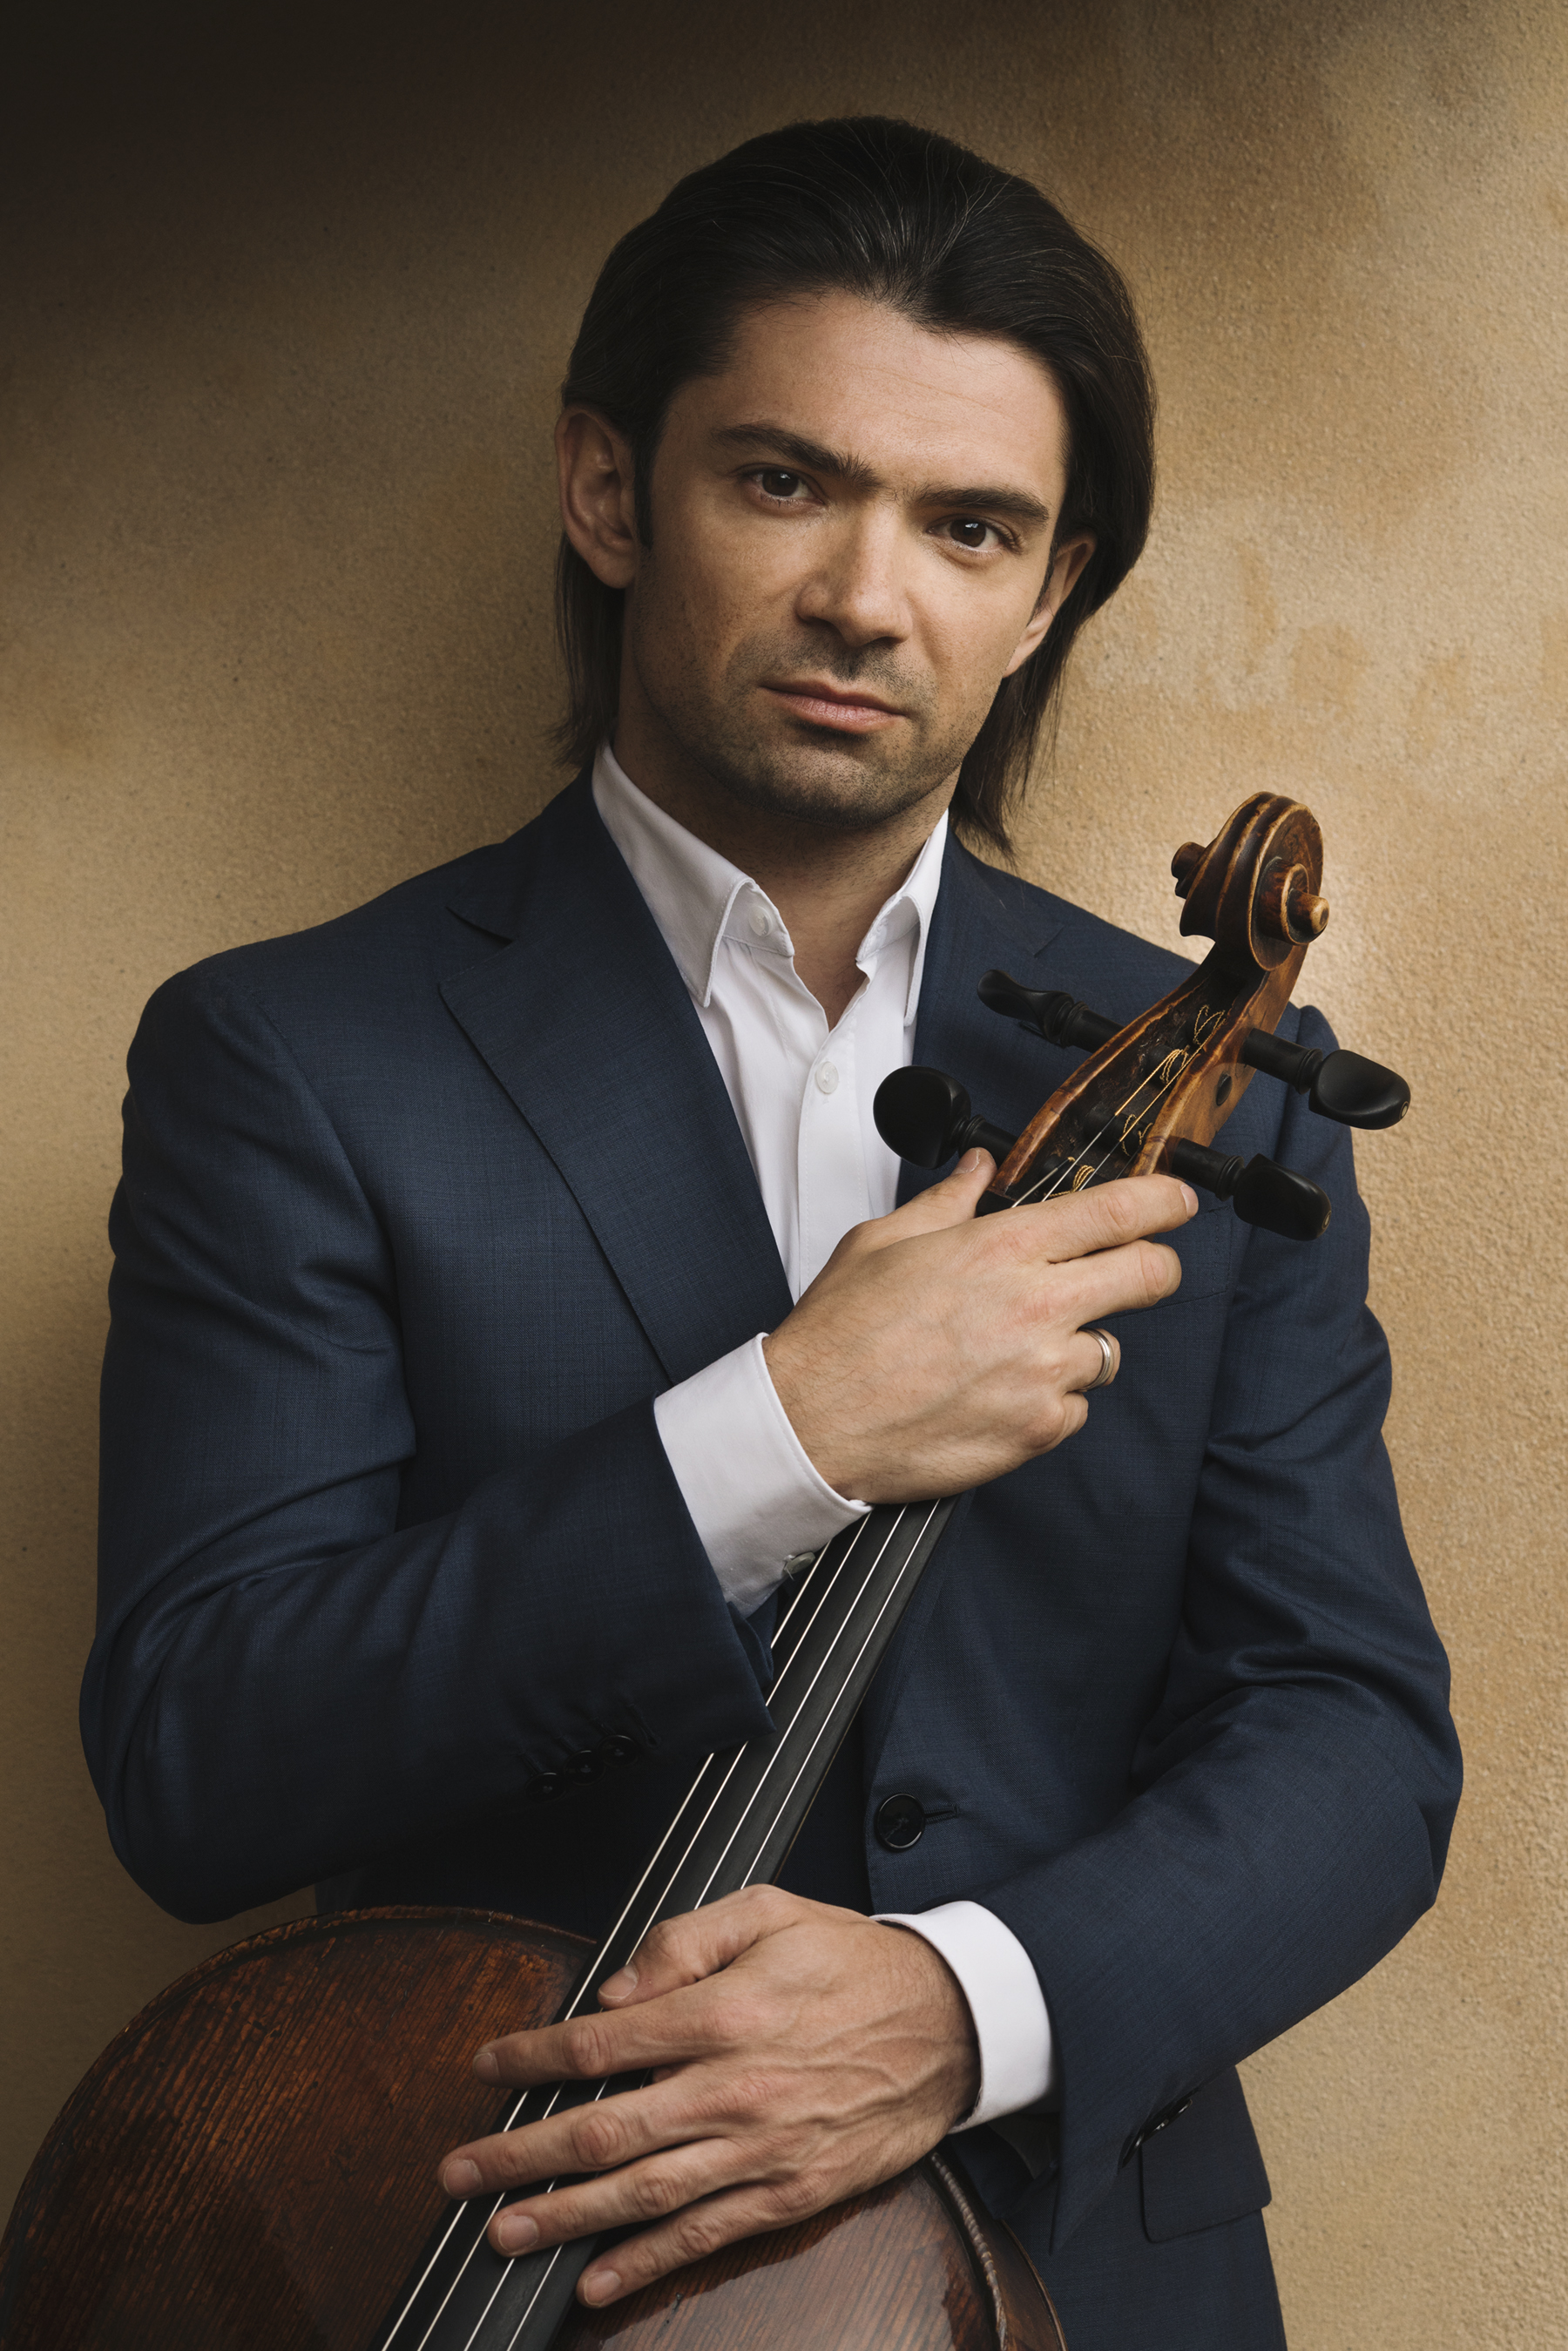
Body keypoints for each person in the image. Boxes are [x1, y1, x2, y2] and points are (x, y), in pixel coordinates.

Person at [84, 118, 1460, 2350]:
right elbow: (199, 1756)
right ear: (611, 490)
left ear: (1047, 593)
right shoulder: (297, 1056)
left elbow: (1352, 1739)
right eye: (787, 482)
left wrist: (966, 2005)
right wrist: (779, 1432)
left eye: (968, 527)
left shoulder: (1225, 1081)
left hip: (1082, 2272)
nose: (866, 598)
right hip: (482, 2250)